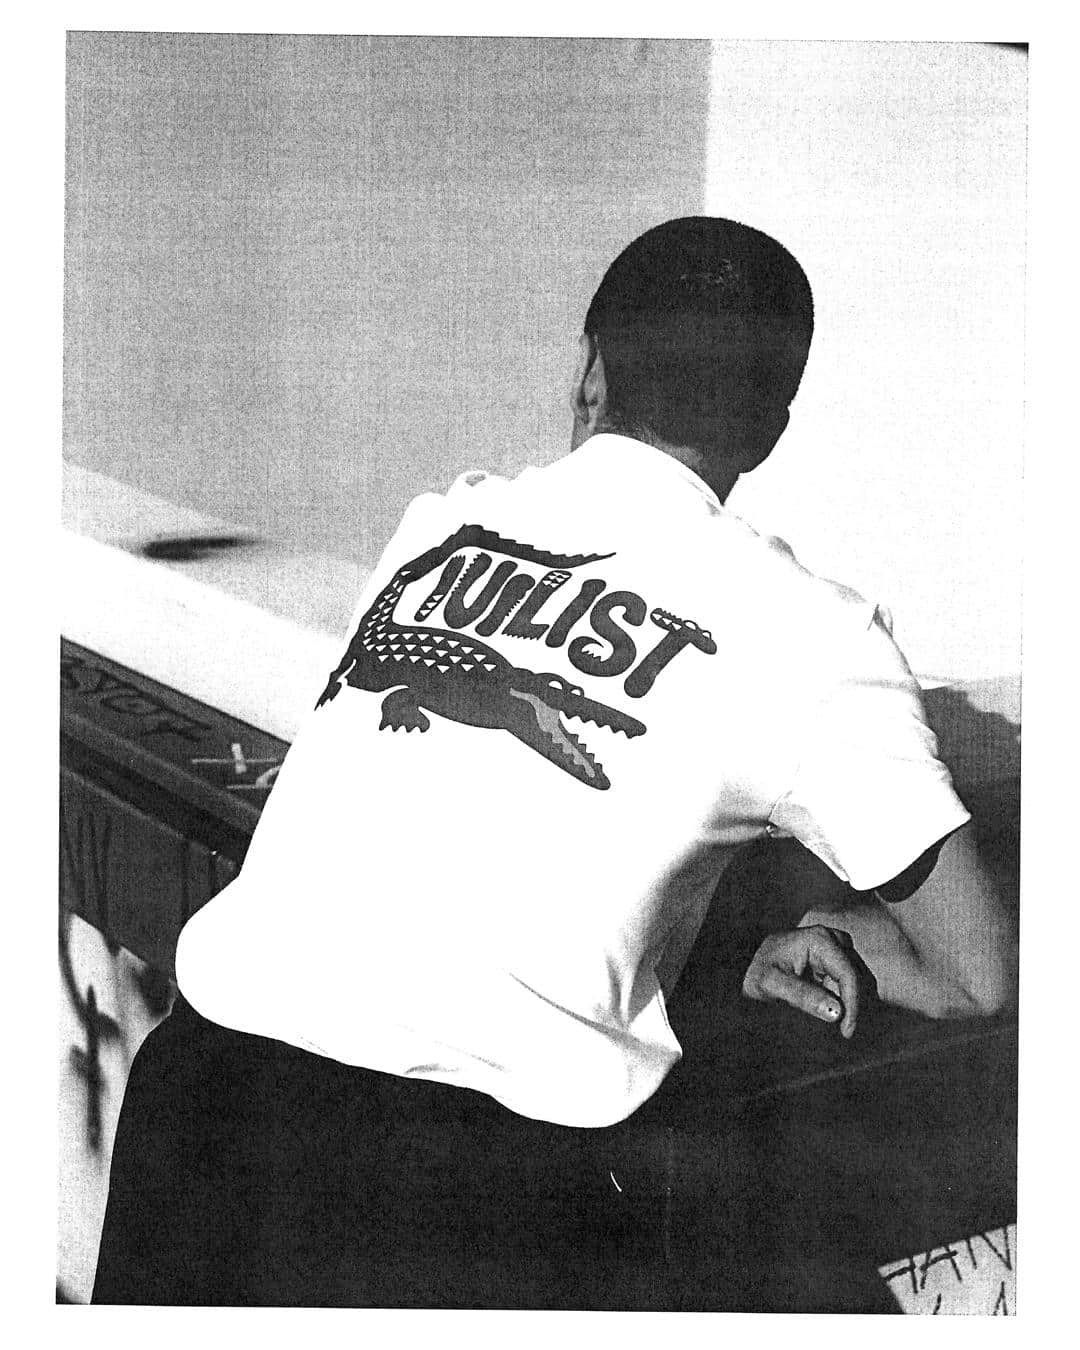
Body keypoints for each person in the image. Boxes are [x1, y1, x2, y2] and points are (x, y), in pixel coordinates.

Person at [92, 216, 1015, 1309]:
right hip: (457, 1201)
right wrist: (823, 930)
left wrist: (714, 949)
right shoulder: (813, 636)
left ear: (591, 373)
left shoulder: (441, 528)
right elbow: (978, 974)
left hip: (201, 1115)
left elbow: (480, 830)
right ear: (772, 424)